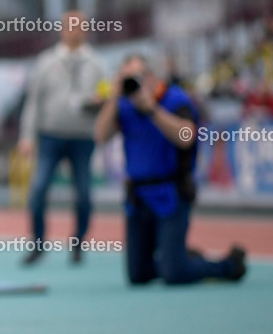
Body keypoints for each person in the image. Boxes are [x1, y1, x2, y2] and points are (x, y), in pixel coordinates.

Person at [95, 54, 246, 285]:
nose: (132, 83)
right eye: (126, 77)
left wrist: (152, 110)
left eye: (136, 77)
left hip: (172, 193)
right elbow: (100, 136)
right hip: (138, 197)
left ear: (152, 76)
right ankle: (181, 257)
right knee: (138, 275)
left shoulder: (176, 99)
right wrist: (114, 98)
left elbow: (186, 137)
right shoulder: (123, 104)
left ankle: (228, 265)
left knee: (174, 274)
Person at [17, 11, 106, 264]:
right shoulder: (46, 61)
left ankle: (78, 242)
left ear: (86, 30)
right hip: (50, 136)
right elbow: (33, 101)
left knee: (84, 193)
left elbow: (106, 94)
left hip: (83, 137)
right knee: (38, 188)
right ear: (62, 29)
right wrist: (27, 136)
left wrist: (99, 101)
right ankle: (38, 242)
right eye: (70, 26)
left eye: (79, 26)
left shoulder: (96, 63)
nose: (74, 31)